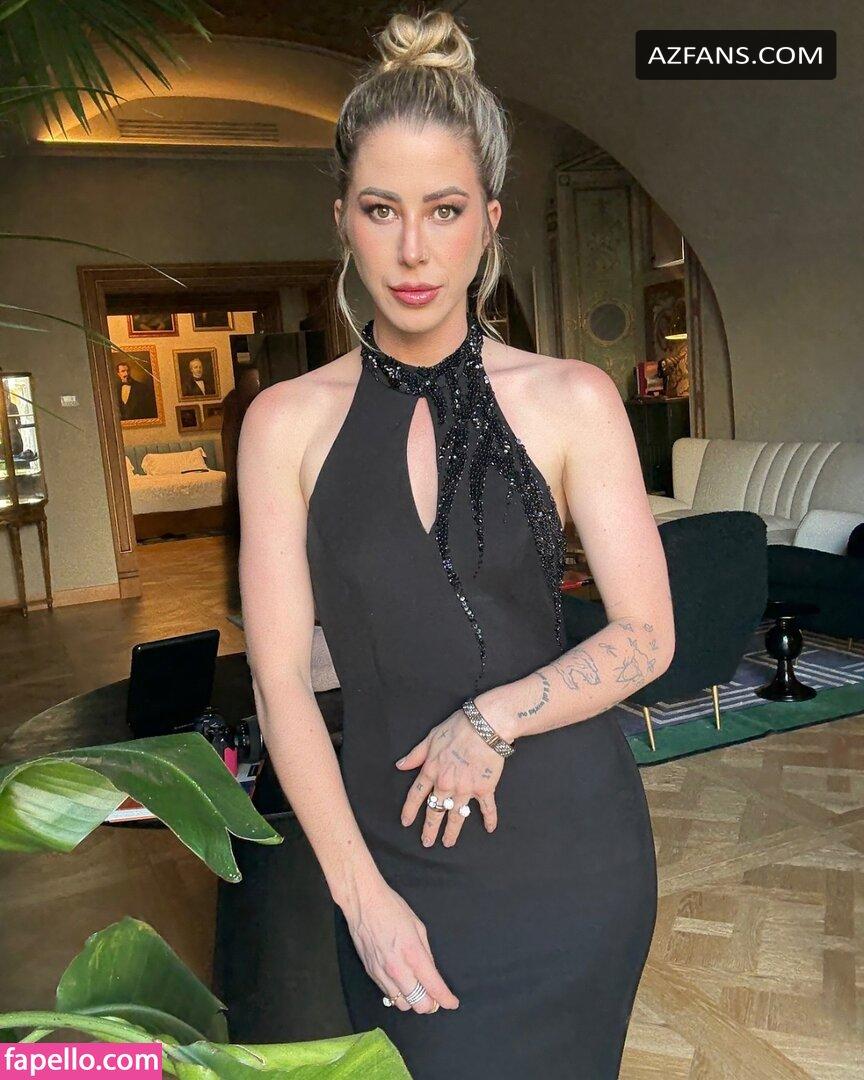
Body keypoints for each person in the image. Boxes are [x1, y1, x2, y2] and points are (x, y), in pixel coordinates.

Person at [237, 10, 674, 1078]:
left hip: (576, 862)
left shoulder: (574, 398)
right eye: (381, 210)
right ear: (343, 219)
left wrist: (491, 719)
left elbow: (647, 635)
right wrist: (360, 897)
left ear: (489, 220)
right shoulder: (284, 424)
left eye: (444, 209)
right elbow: (279, 678)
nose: (414, 250)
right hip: (393, 867)